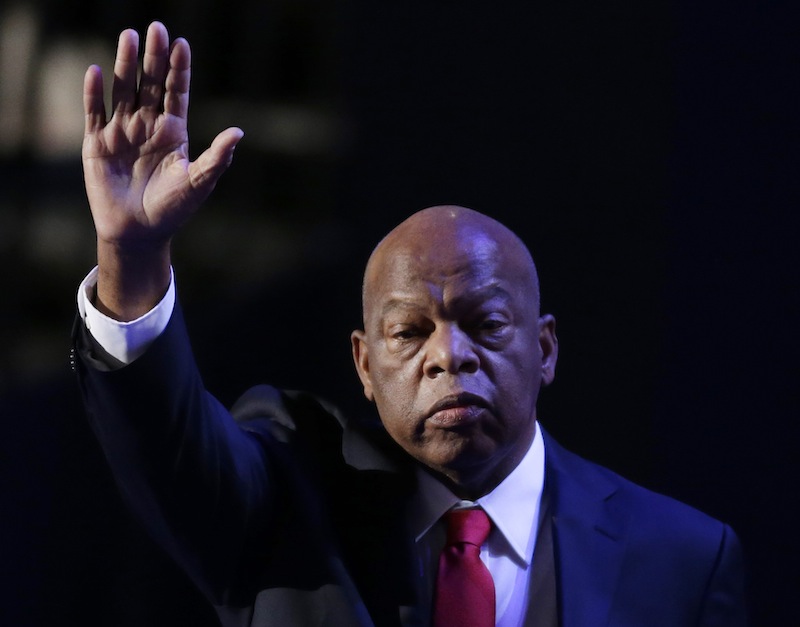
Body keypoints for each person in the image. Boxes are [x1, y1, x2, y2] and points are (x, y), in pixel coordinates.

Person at [73, 22, 747, 627]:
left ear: (544, 349)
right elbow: (170, 446)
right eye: (410, 332)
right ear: (364, 365)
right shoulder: (285, 503)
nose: (449, 356)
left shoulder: (683, 558)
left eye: (484, 324)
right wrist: (130, 260)